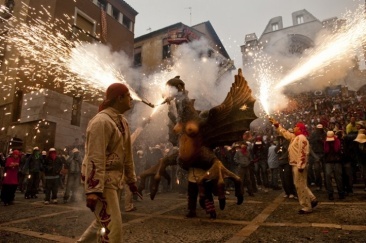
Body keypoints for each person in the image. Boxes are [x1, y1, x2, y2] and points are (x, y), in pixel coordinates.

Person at [78, 83, 139, 243]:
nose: (131, 99)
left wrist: (131, 180)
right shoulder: (101, 121)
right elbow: (95, 156)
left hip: (114, 181)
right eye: (128, 96)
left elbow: (127, 155)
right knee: (113, 229)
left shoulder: (122, 122)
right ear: (119, 98)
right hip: (102, 181)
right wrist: (93, 189)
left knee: (102, 222)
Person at [269, 118, 318, 214]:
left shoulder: (301, 138)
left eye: (296, 126)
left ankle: (306, 206)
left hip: (298, 165)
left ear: (299, 129)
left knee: (300, 185)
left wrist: (300, 165)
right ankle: (312, 199)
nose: (294, 127)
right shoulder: (295, 137)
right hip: (296, 164)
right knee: (300, 184)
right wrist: (277, 125)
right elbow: (285, 133)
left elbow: (303, 153)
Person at [323, 131, 344, 200]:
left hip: (335, 161)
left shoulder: (337, 141)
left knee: (338, 177)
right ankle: (331, 193)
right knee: (329, 176)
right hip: (330, 161)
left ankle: (340, 192)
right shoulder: (327, 142)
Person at [276, 135, 297, 199]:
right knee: (283, 179)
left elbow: (288, 152)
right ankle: (286, 192)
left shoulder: (288, 145)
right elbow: (276, 151)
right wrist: (279, 145)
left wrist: (282, 157)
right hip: (280, 164)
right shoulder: (279, 146)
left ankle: (291, 192)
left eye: (281, 139)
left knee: (288, 178)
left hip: (286, 163)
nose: (280, 140)